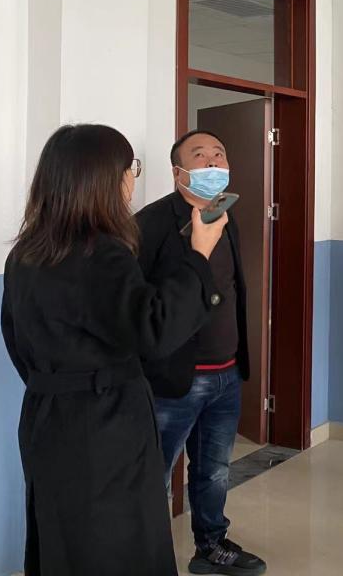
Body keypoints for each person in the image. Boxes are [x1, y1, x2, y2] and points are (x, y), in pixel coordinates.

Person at [1, 124, 228, 576]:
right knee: (118, 542)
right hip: (105, 423)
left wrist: (59, 385)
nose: (132, 180)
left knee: (61, 534)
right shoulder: (102, 253)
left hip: (46, 415)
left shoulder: (25, 252)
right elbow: (156, 330)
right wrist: (198, 256)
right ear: (105, 178)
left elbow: (16, 339)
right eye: (130, 169)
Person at [137, 130, 265, 576]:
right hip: (175, 377)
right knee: (152, 474)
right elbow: (140, 304)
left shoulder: (225, 214)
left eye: (219, 155)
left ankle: (210, 546)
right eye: (200, 156)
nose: (213, 163)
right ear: (179, 172)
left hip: (226, 373)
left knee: (214, 471)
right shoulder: (151, 223)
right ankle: (143, 557)